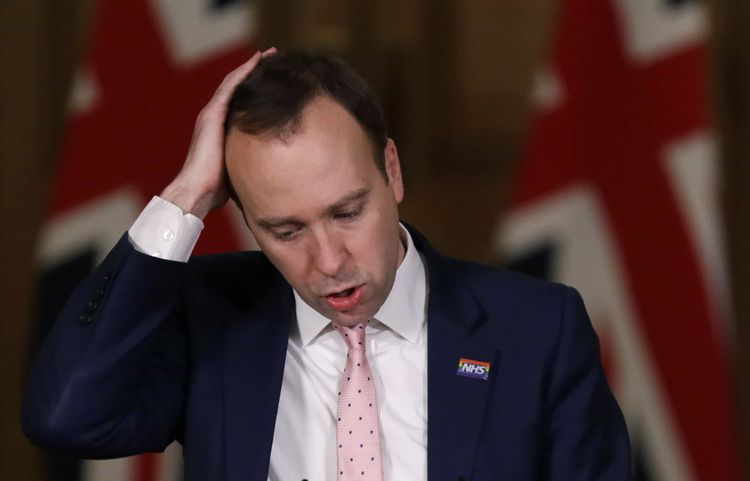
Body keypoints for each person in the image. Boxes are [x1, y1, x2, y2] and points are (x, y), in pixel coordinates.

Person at [23, 49, 631, 481]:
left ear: (390, 172)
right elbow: (68, 417)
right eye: (284, 230)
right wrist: (183, 197)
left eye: (346, 212)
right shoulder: (210, 317)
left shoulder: (537, 329)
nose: (329, 261)